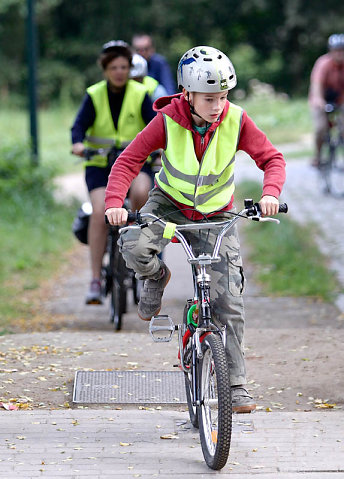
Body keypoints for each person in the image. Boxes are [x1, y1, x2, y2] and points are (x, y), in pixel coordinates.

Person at [105, 46, 286, 413]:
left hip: (216, 215)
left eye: (222, 96)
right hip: (168, 205)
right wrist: (113, 203)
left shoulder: (236, 120)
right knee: (135, 247)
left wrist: (270, 194)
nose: (217, 105)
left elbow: (272, 159)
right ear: (187, 94)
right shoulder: (168, 119)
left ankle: (235, 385)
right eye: (208, 98)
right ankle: (157, 277)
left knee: (228, 303)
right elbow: (129, 160)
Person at [71, 40, 156, 305]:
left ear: (130, 69)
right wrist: (77, 144)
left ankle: (141, 255)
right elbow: (78, 127)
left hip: (135, 163)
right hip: (100, 166)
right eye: (114, 67)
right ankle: (95, 280)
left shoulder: (140, 94)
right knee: (99, 211)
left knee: (142, 192)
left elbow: (157, 126)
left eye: (123, 67)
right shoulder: (94, 94)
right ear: (105, 70)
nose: (119, 72)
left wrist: (161, 149)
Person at [309, 33, 344, 166]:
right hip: (320, 100)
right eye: (337, 50)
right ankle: (317, 156)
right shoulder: (323, 64)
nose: (340, 54)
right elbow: (316, 85)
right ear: (331, 51)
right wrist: (319, 101)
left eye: (342, 50)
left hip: (340, 100)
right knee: (320, 128)